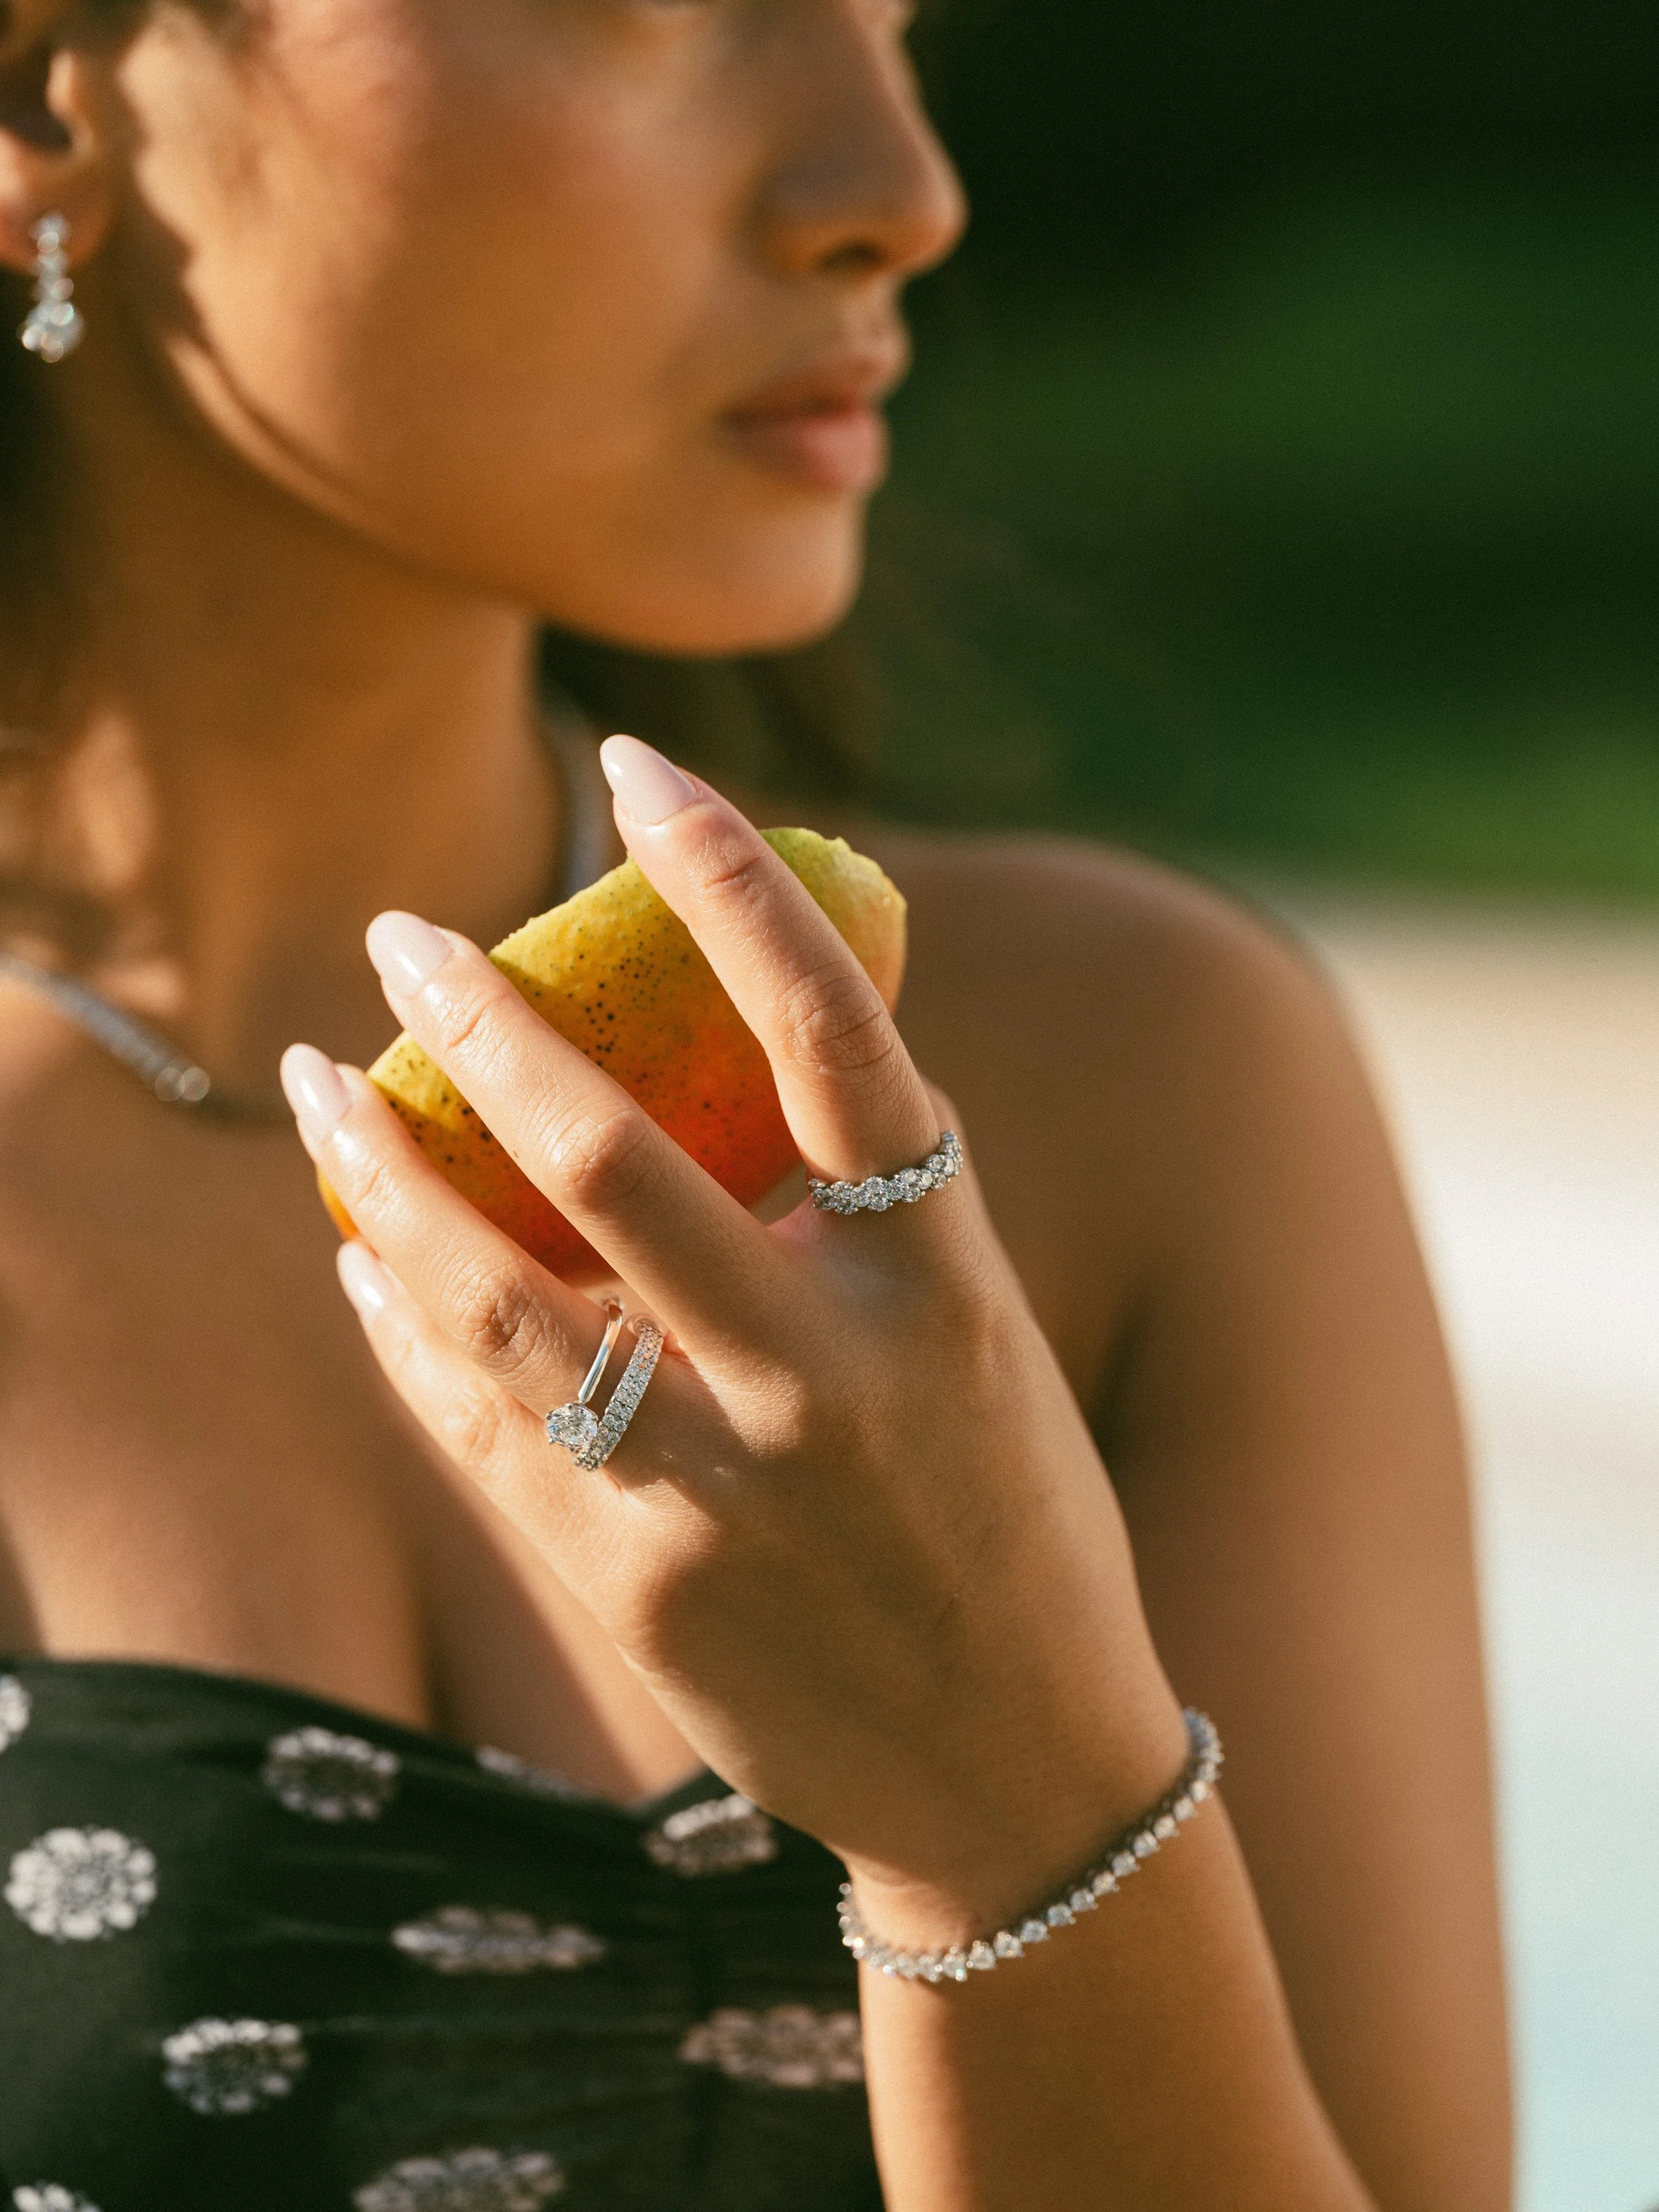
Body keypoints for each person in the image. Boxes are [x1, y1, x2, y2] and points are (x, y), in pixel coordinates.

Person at [0, 2, 1508, 2207]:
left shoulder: (1135, 1084)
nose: (898, 190)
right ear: (47, 92)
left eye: (891, 17)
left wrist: (1005, 1794)